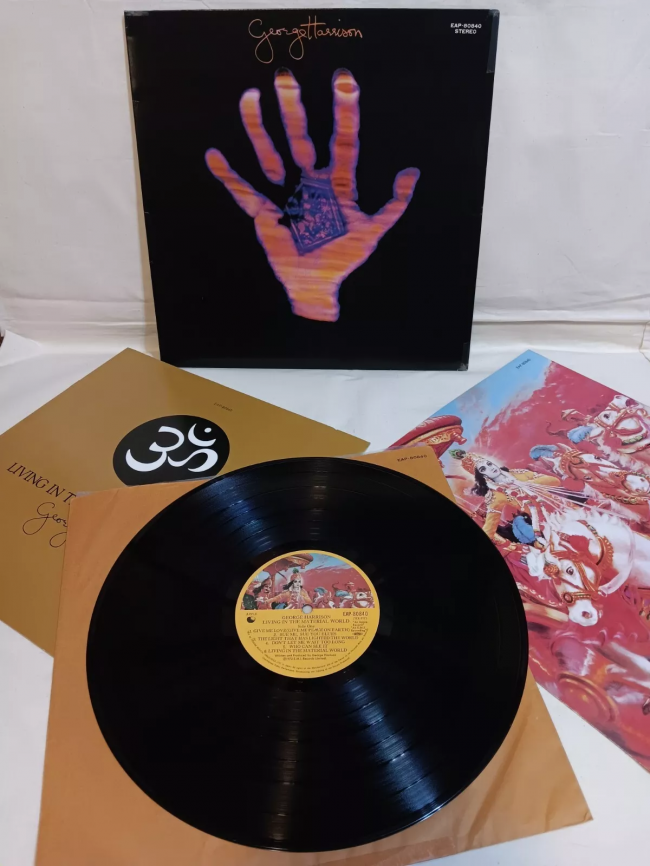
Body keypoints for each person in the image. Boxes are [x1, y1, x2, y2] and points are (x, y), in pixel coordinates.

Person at [450, 449, 571, 548]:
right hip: (546, 523)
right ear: (483, 476)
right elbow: (490, 527)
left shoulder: (518, 473)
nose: (490, 468)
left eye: (489, 464)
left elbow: (555, 481)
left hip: (564, 508)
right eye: (483, 469)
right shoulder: (496, 495)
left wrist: (523, 484)